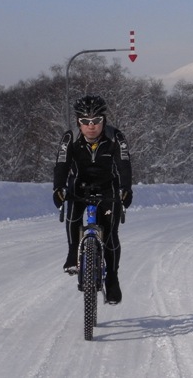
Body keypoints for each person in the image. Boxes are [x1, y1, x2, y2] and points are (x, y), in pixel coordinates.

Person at [53, 95, 133, 305]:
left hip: (109, 188)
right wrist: (58, 188)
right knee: (73, 214)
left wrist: (126, 189)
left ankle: (113, 279)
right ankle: (72, 253)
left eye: (96, 121)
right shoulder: (70, 138)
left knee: (110, 235)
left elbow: (124, 164)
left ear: (103, 120)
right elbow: (61, 165)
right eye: (85, 122)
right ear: (78, 121)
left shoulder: (116, 137)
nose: (91, 127)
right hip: (79, 185)